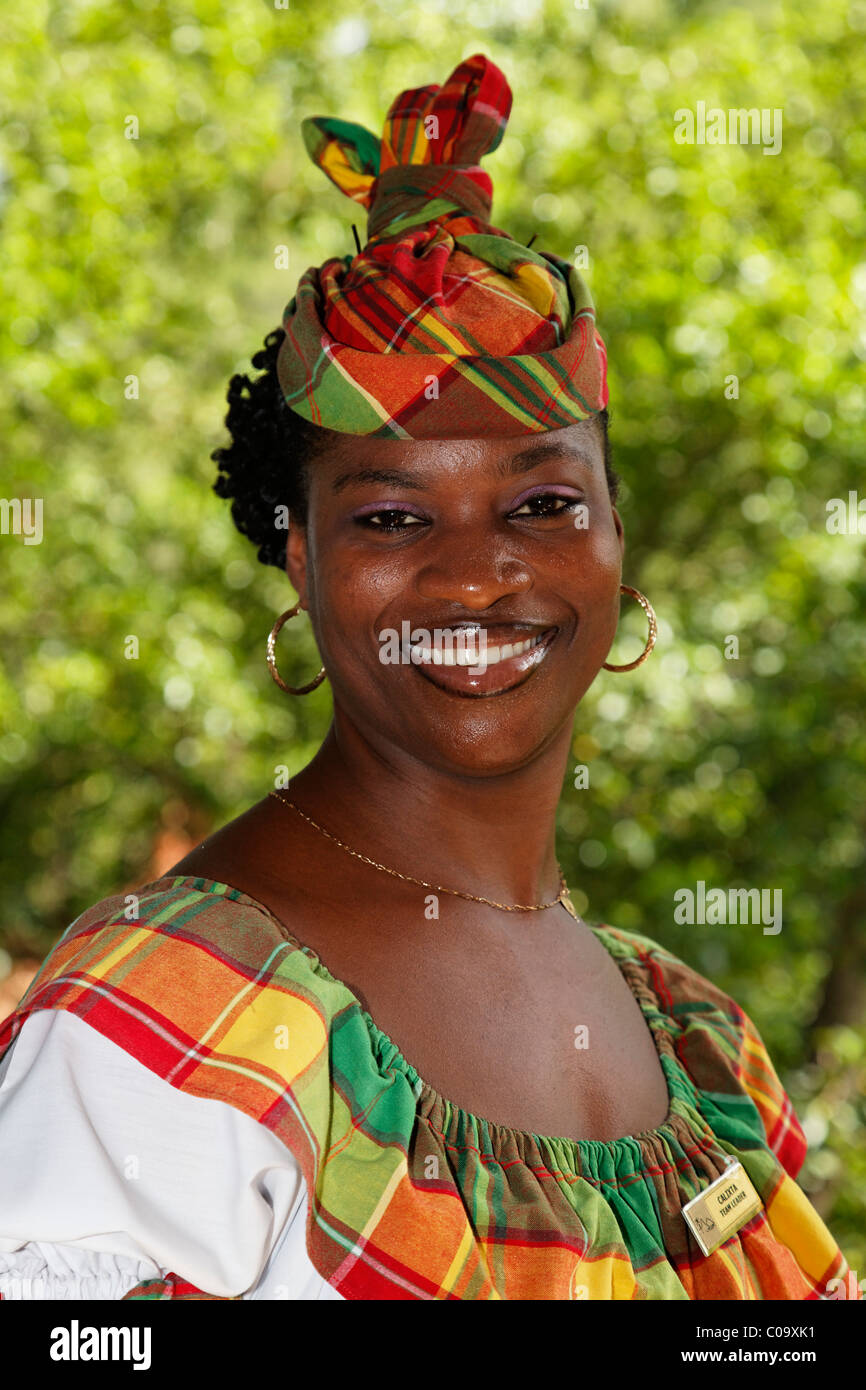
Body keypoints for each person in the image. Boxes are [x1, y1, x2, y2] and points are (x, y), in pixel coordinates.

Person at [0, 53, 853, 1301]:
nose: (476, 576)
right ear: (300, 558)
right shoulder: (160, 1022)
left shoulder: (705, 1050)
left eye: (542, 501)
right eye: (393, 520)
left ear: (617, 539)